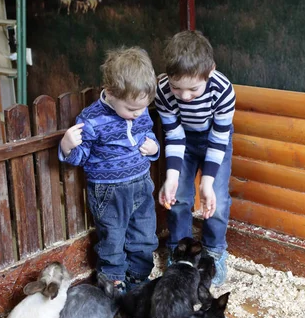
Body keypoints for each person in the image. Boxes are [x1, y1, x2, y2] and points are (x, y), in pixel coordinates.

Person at [59, 47, 159, 292]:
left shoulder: (140, 109)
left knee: (144, 236)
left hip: (142, 183)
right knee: (113, 240)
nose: (138, 115)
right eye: (132, 109)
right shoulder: (91, 119)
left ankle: (139, 283)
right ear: (112, 92)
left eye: (142, 108)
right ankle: (113, 290)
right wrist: (67, 146)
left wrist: (153, 147)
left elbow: (146, 131)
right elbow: (81, 158)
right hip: (109, 191)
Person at [155, 30, 236, 286]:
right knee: (178, 197)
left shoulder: (223, 90)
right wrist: (171, 176)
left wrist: (208, 181)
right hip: (183, 142)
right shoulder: (163, 90)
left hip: (216, 141)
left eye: (193, 89)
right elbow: (174, 134)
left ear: (210, 71)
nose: (185, 96)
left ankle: (213, 253)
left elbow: (219, 138)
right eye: (177, 87)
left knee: (218, 200)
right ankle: (179, 253)